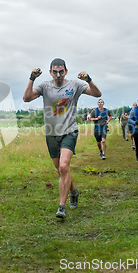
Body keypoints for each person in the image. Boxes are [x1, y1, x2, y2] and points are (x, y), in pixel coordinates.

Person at [23, 58, 101, 219]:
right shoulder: (44, 86)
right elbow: (26, 98)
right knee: (60, 170)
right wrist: (32, 78)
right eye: (55, 72)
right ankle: (74, 191)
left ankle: (62, 206)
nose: (58, 75)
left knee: (64, 167)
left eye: (61, 71)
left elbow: (97, 94)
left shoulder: (75, 85)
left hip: (69, 131)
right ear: (50, 72)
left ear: (66, 71)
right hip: (51, 133)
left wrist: (89, 80)